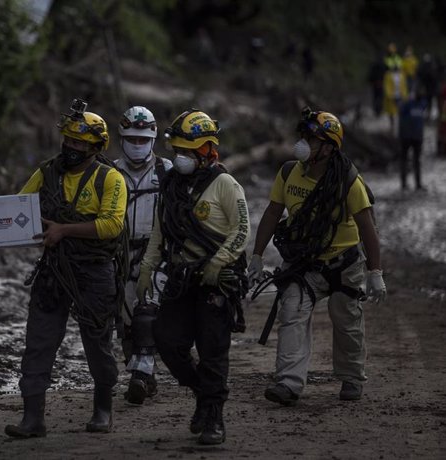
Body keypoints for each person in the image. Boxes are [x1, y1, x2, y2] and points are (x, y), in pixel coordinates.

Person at [3, 99, 128, 437]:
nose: (71, 148)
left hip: (94, 271)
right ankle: (33, 418)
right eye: (69, 141)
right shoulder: (46, 171)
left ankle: (103, 410)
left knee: (98, 342)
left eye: (79, 143)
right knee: (39, 340)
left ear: (95, 147)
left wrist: (63, 230)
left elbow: (112, 226)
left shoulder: (111, 179)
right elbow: (20, 205)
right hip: (54, 270)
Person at [248, 108, 387, 407]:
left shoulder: (349, 180)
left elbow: (368, 228)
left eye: (312, 139)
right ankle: (288, 382)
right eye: (304, 137)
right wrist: (256, 256)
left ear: (328, 147)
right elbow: (273, 213)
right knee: (292, 313)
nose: (304, 144)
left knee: (346, 320)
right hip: (304, 264)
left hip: (343, 263)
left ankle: (351, 376)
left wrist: (375, 273)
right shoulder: (288, 172)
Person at [136, 110, 250, 445]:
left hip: (216, 279)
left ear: (207, 149)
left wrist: (219, 262)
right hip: (181, 277)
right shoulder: (171, 185)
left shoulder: (225, 184)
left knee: (213, 348)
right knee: (167, 339)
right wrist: (147, 267)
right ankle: (204, 392)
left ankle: (214, 417)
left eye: (188, 150)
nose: (181, 157)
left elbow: (241, 230)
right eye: (178, 150)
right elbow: (161, 229)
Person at [113, 106, 172, 405]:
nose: (137, 145)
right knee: (124, 321)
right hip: (120, 254)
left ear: (153, 140)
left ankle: (141, 373)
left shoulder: (168, 172)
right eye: (131, 139)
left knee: (147, 312)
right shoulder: (109, 173)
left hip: (157, 253)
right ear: (121, 138)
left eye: (142, 140)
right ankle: (144, 376)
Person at [398, 89, 427, 190]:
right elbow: (400, 110)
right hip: (407, 136)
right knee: (406, 159)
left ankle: (417, 183)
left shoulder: (421, 104)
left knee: (415, 160)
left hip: (415, 137)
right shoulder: (409, 104)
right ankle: (404, 183)